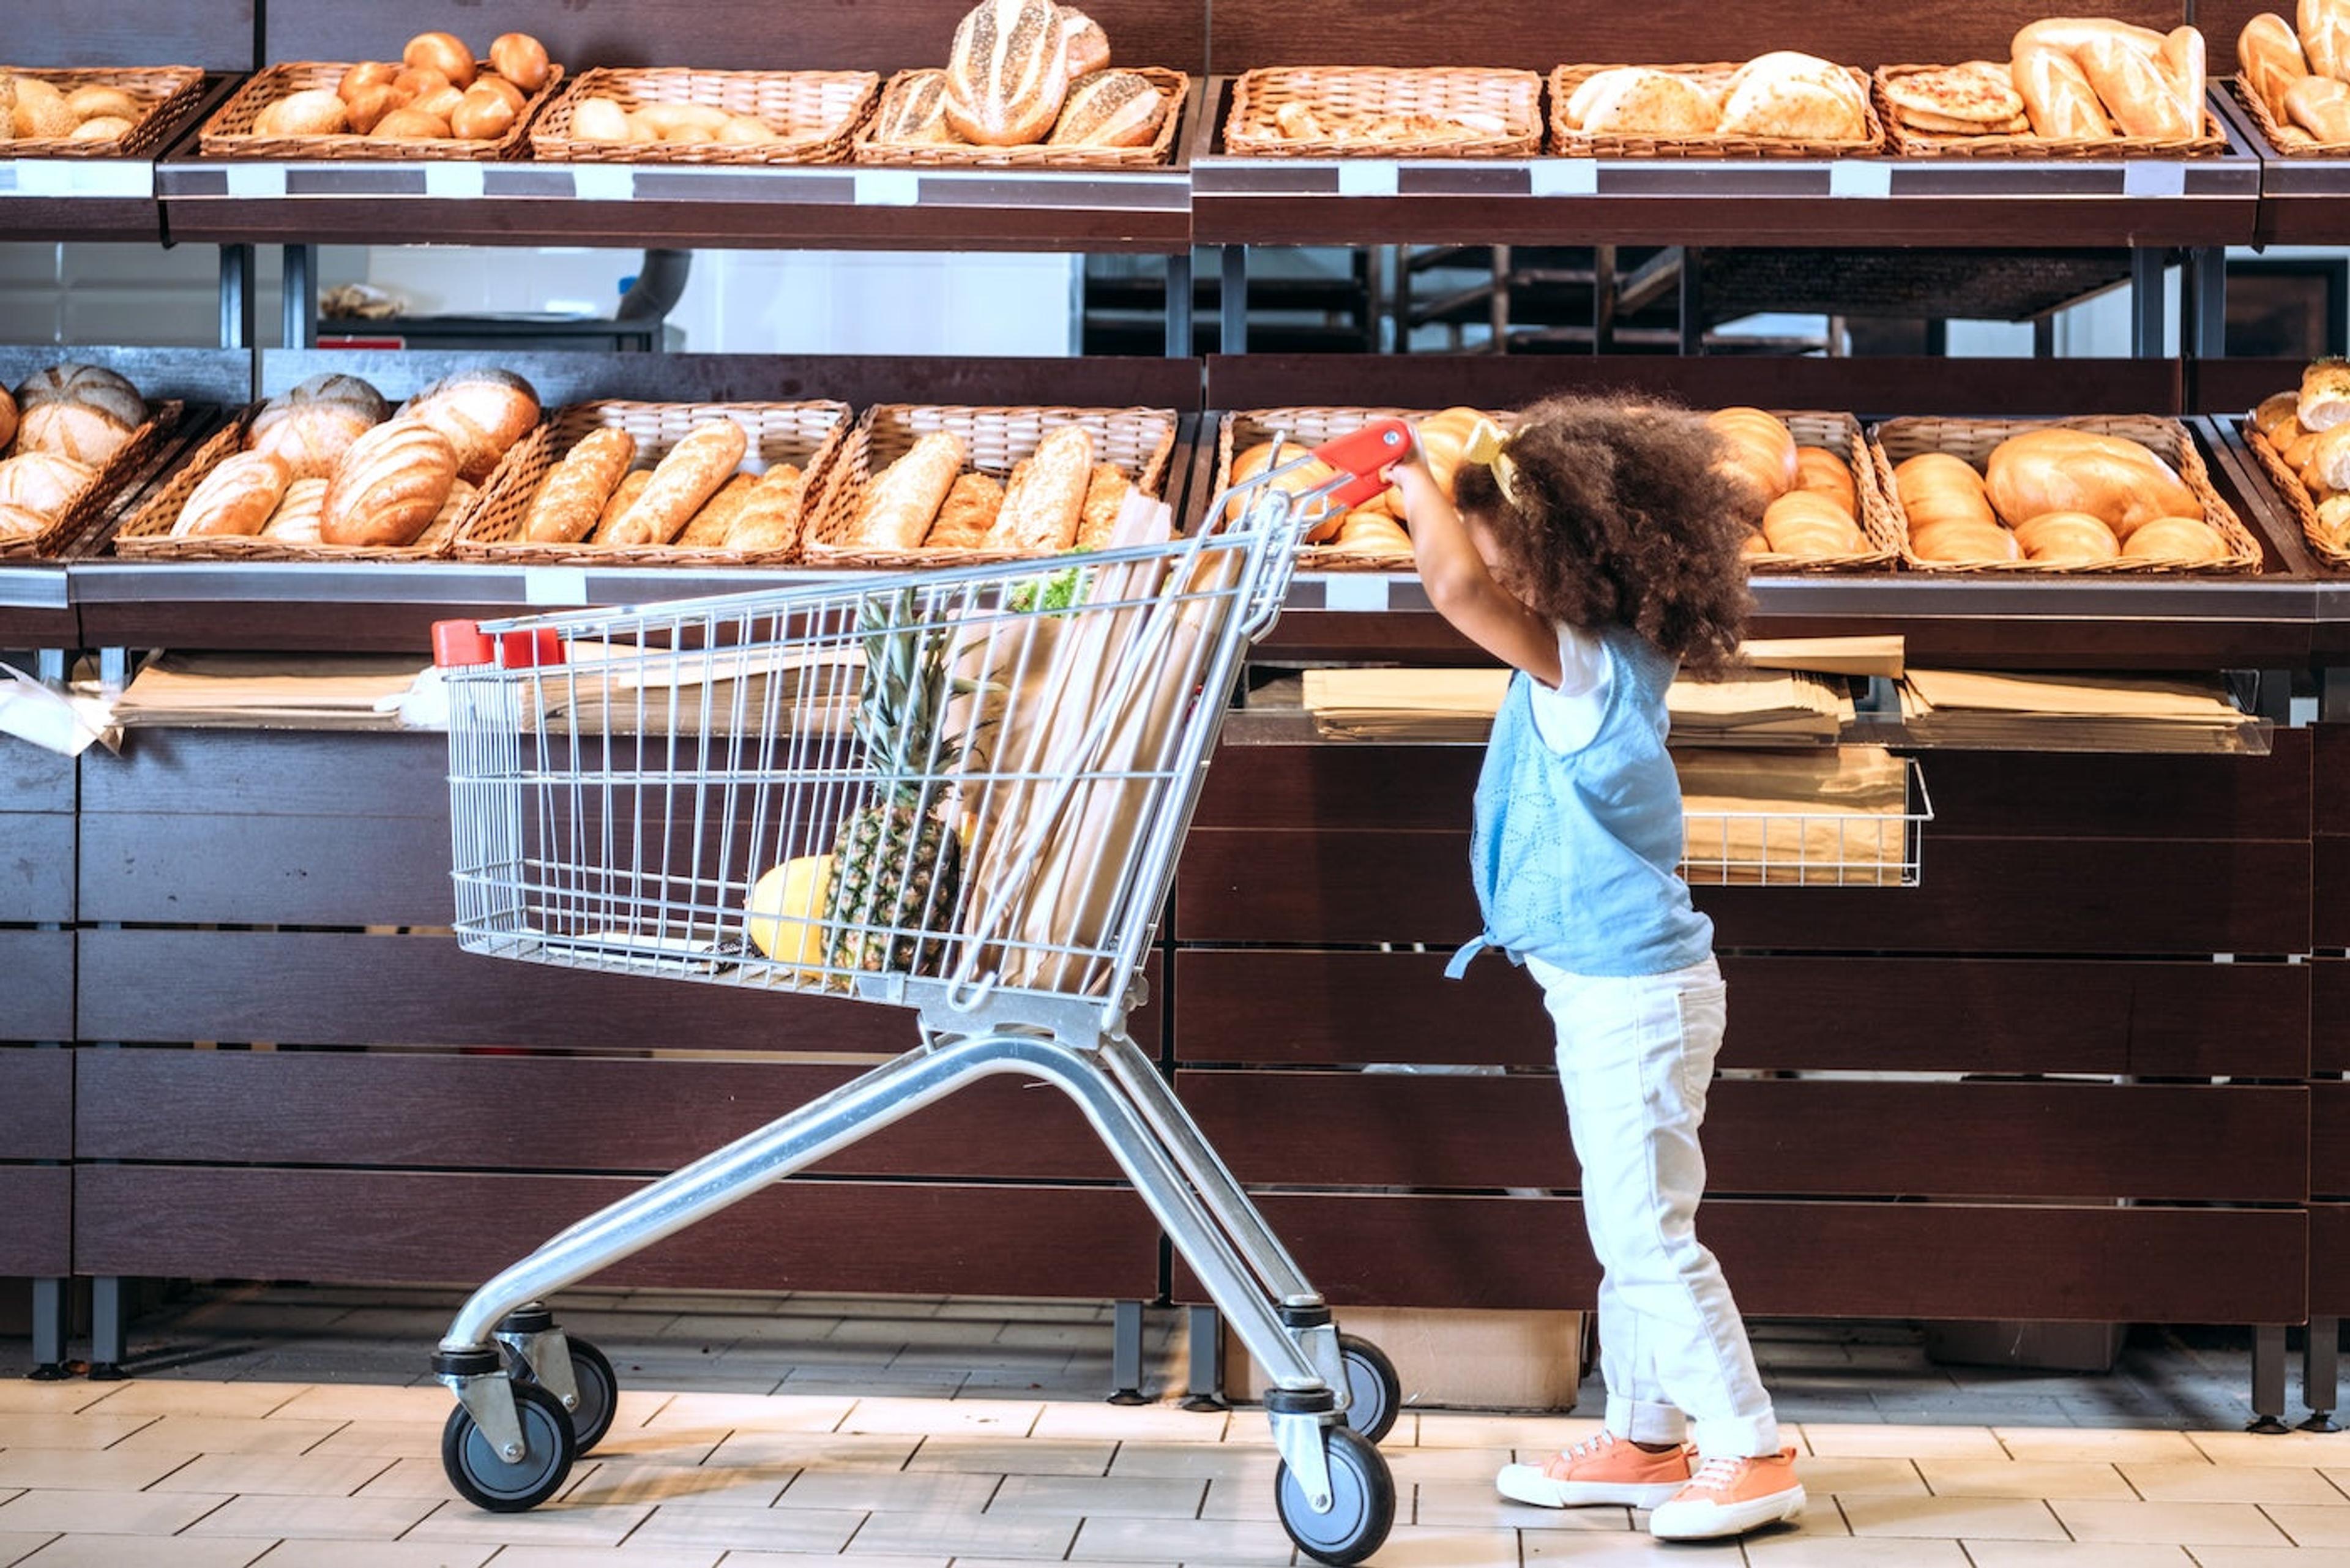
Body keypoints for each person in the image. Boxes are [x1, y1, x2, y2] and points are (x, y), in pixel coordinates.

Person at [1387, 396, 1804, 1542]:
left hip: (1634, 998)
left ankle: (1749, 1445)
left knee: (1648, 1233)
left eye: (1496, 528)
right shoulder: (1615, 651)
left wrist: (1403, 465)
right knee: (1628, 1219)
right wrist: (1458, 489)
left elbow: (1453, 590)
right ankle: (1647, 1432)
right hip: (1624, 990)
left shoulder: (1580, 669)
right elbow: (1474, 568)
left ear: (1566, 555)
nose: (1476, 548)